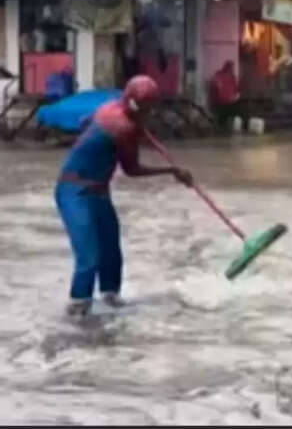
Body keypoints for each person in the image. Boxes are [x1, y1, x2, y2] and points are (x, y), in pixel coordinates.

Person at [55, 75, 193, 317]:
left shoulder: (108, 108)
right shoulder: (123, 128)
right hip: (73, 191)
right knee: (89, 255)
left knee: (111, 250)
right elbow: (132, 170)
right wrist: (172, 170)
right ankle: (78, 310)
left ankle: (111, 299)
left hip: (98, 189)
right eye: (148, 109)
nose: (150, 113)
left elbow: (84, 123)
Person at [208, 60, 242, 130]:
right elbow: (214, 86)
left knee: (232, 116)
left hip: (230, 102)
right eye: (230, 67)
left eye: (232, 67)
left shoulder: (232, 77)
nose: (231, 69)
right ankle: (220, 132)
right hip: (220, 103)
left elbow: (236, 89)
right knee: (222, 119)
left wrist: (236, 95)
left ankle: (227, 131)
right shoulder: (218, 75)